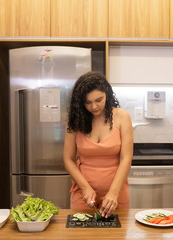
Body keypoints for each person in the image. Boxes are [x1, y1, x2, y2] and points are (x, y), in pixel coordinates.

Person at [63, 71, 133, 218]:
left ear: (107, 94)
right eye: (87, 102)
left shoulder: (122, 117)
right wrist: (85, 188)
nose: (94, 106)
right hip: (84, 195)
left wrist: (113, 193)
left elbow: (126, 158)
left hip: (116, 194)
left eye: (98, 100)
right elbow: (68, 159)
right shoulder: (75, 120)